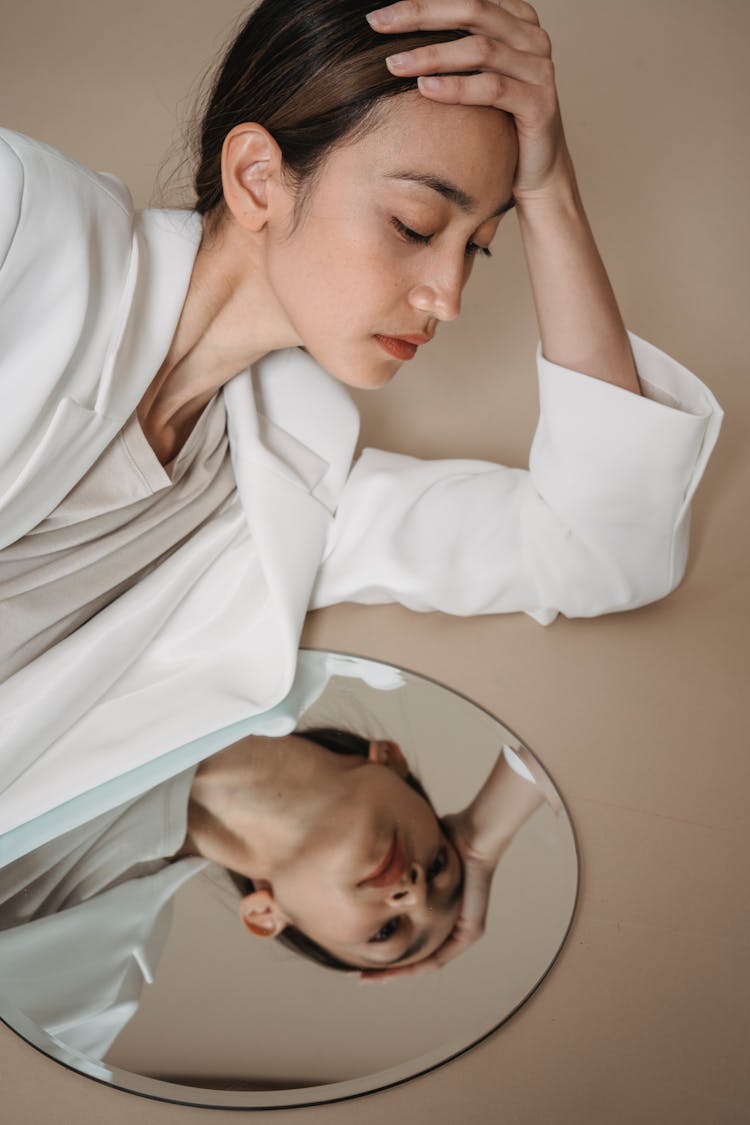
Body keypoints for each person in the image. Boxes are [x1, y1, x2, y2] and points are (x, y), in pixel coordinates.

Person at [0, 0, 723, 978]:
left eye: (476, 245)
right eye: (416, 223)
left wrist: (549, 187)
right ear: (259, 177)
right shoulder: (22, 227)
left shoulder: (293, 488)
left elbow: (605, 554)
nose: (451, 296)